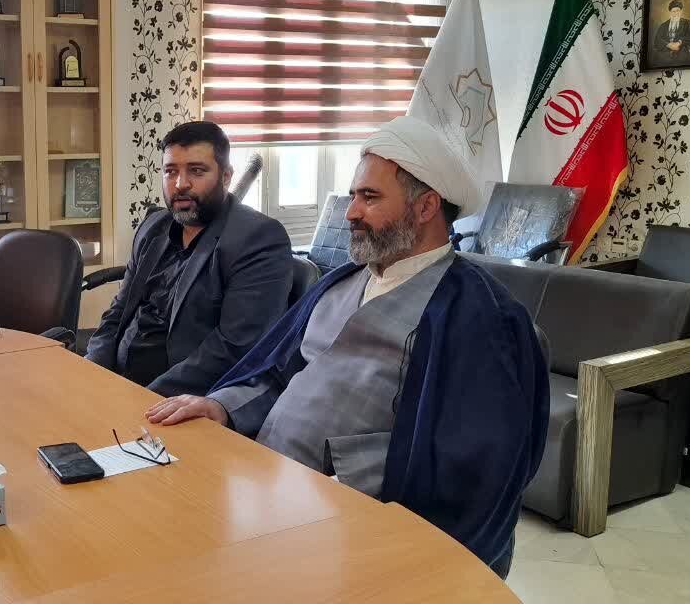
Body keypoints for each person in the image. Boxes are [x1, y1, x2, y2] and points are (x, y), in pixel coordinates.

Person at [144, 116, 549, 578]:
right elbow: (276, 372)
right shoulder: (339, 283)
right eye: (354, 195)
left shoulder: (480, 318)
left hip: (348, 524)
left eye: (369, 198)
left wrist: (344, 479)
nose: (351, 212)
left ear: (425, 207)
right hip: (259, 481)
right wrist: (221, 406)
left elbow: (472, 462)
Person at [85, 121, 293, 396]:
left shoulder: (258, 238)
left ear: (226, 177)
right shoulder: (153, 227)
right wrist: (90, 372)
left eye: (196, 170)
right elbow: (118, 311)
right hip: (116, 384)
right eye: (170, 171)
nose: (180, 184)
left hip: (175, 399)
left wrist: (142, 400)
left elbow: (235, 348)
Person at [651, 0, 690, 66]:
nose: (676, 13)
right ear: (670, 12)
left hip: (681, 54)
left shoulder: (687, 23)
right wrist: (669, 45)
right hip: (665, 55)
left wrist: (679, 43)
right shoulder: (663, 25)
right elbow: (657, 40)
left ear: (681, 11)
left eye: (678, 10)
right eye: (673, 11)